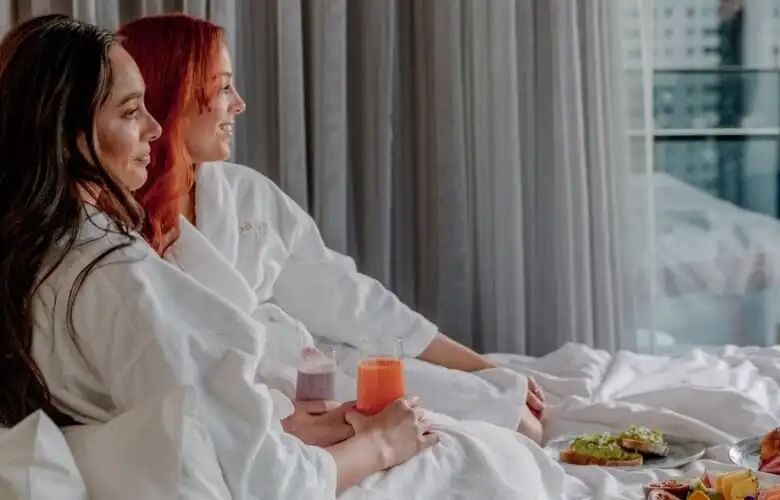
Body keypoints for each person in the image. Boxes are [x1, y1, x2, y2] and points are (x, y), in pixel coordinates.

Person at [0, 14, 437, 496]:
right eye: (130, 112)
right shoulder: (120, 279)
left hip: (243, 442)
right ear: (68, 135)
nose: (153, 127)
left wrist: (270, 431)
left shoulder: (34, 257)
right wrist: (382, 446)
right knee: (480, 458)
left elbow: (173, 416)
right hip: (283, 474)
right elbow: (275, 485)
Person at [117, 13, 545, 443]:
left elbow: (350, 299)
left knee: (511, 410)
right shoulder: (114, 220)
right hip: (243, 405)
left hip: (307, 381)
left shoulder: (247, 194)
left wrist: (483, 366)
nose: (239, 103)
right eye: (224, 85)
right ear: (177, 91)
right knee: (494, 429)